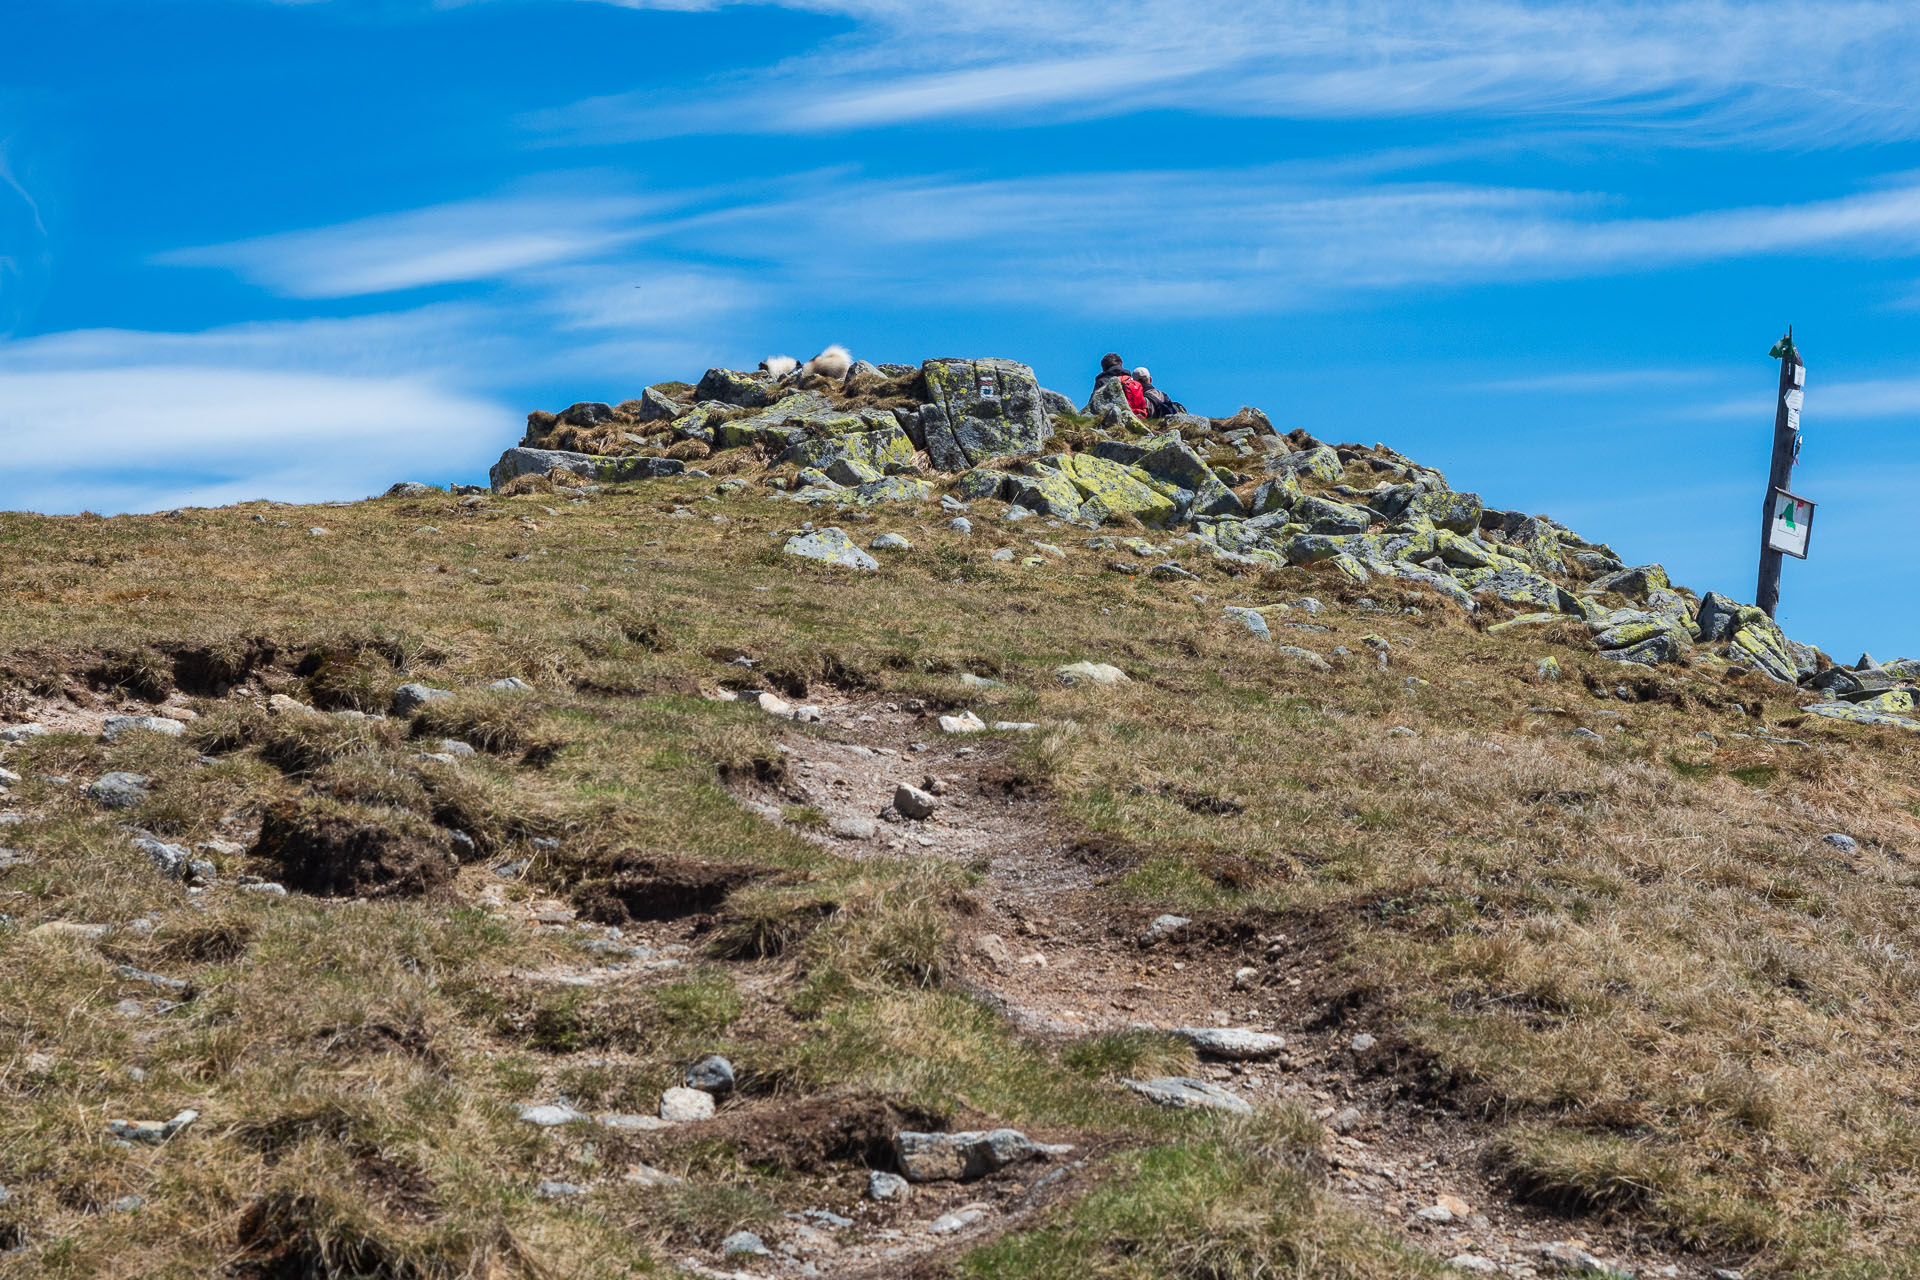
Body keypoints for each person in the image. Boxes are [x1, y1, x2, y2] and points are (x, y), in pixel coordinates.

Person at [1094, 352, 1147, 417]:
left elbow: (1094, 404)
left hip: (1113, 418)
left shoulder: (1103, 381)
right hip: (1136, 415)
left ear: (1104, 368)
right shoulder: (1130, 380)